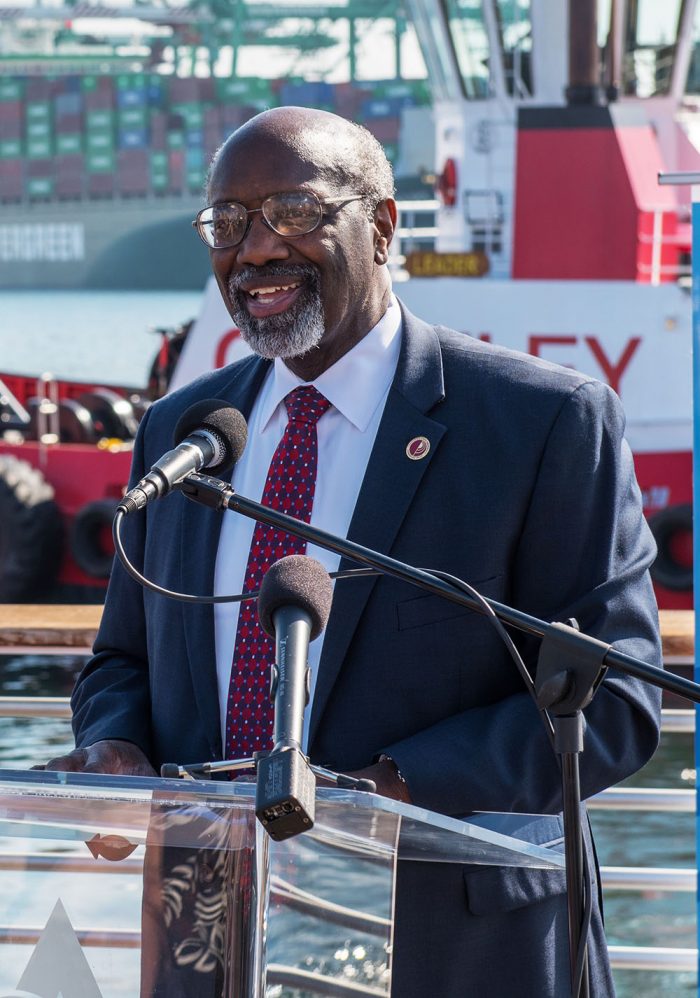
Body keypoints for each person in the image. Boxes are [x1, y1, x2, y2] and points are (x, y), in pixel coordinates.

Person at [44, 106, 662, 996]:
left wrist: (385, 792)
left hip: (456, 954)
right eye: (228, 222)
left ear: (379, 226)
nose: (254, 249)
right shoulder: (181, 431)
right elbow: (122, 663)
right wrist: (115, 749)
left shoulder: (540, 423)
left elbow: (615, 703)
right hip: (209, 936)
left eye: (293, 211)